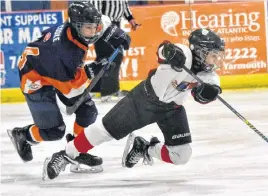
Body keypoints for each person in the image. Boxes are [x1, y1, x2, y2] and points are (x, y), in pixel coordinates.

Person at [43, 28, 225, 180]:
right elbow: (163, 50)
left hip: (172, 110)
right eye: (213, 56)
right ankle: (66, 154)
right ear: (199, 52)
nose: (217, 61)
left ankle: (144, 147)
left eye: (218, 56)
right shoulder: (183, 53)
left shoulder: (209, 76)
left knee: (181, 155)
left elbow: (202, 96)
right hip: (143, 101)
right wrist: (169, 51)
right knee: (104, 131)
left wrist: (208, 94)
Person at [7, 1, 130, 172]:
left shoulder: (76, 29)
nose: (94, 31)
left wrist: (114, 32)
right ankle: (23, 135)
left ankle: (76, 151)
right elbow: (70, 91)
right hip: (34, 78)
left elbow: (101, 21)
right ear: (77, 25)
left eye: (95, 27)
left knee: (88, 111)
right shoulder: (64, 53)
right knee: (54, 131)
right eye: (89, 28)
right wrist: (89, 72)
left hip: (53, 67)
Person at [89, 0, 140, 102]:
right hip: (103, 24)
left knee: (105, 56)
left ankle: (96, 89)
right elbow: (93, 6)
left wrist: (130, 18)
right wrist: (99, 25)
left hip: (114, 23)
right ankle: (109, 91)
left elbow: (123, 4)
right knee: (112, 56)